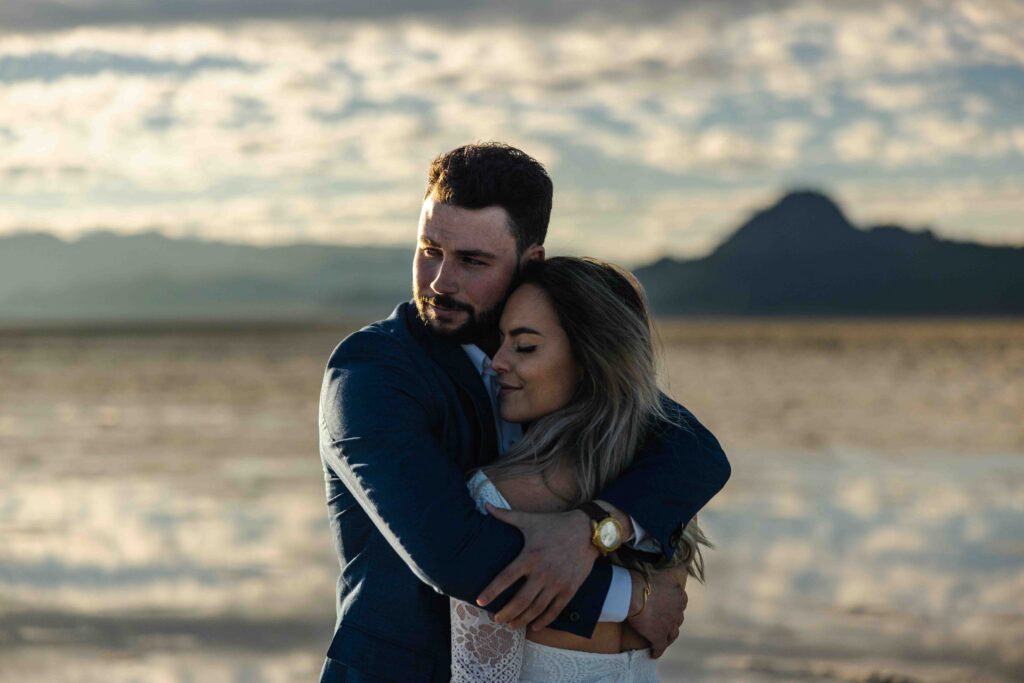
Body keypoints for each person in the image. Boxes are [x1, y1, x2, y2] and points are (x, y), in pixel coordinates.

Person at [318, 142, 730, 682]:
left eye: (472, 261)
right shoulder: (371, 372)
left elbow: (694, 451)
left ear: (528, 261)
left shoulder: (549, 358)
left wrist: (596, 527)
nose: (440, 281)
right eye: (429, 249)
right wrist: (635, 598)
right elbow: (456, 557)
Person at [450, 256, 714, 682]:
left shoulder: (498, 498)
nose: (495, 361)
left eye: (525, 346)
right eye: (500, 341)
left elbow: (479, 677)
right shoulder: (665, 501)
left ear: (590, 360)